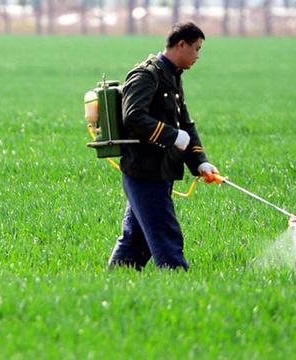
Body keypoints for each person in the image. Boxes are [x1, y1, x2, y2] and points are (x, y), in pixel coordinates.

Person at [108, 22, 220, 271]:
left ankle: (114, 282)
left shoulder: (172, 77)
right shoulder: (146, 75)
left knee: (135, 242)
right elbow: (133, 116)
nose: (198, 56)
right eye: (196, 49)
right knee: (166, 236)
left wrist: (200, 161)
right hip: (145, 171)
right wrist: (171, 136)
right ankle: (178, 282)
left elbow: (186, 124)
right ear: (181, 44)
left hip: (161, 170)